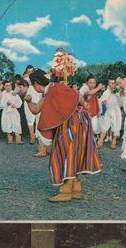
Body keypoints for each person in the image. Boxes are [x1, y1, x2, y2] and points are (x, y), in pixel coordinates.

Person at [25, 69, 101, 203]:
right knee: (74, 154)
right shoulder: (50, 92)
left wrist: (84, 104)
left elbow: (77, 94)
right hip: (78, 122)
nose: (33, 88)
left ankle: (65, 191)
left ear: (36, 83)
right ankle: (76, 188)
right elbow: (36, 110)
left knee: (66, 153)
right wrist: (29, 101)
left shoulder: (55, 88)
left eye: (32, 85)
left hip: (73, 123)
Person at [96, 79, 122, 150]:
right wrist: (103, 103)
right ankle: (100, 141)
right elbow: (101, 101)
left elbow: (120, 102)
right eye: (110, 83)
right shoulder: (106, 92)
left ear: (115, 84)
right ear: (108, 84)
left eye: (113, 83)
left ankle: (114, 141)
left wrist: (118, 94)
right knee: (105, 124)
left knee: (116, 125)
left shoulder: (118, 92)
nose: (111, 85)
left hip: (116, 110)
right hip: (108, 110)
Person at [23, 79, 42, 149]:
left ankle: (38, 136)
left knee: (38, 120)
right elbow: (20, 91)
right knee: (30, 121)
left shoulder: (40, 86)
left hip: (39, 104)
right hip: (28, 103)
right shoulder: (28, 86)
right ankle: (32, 137)